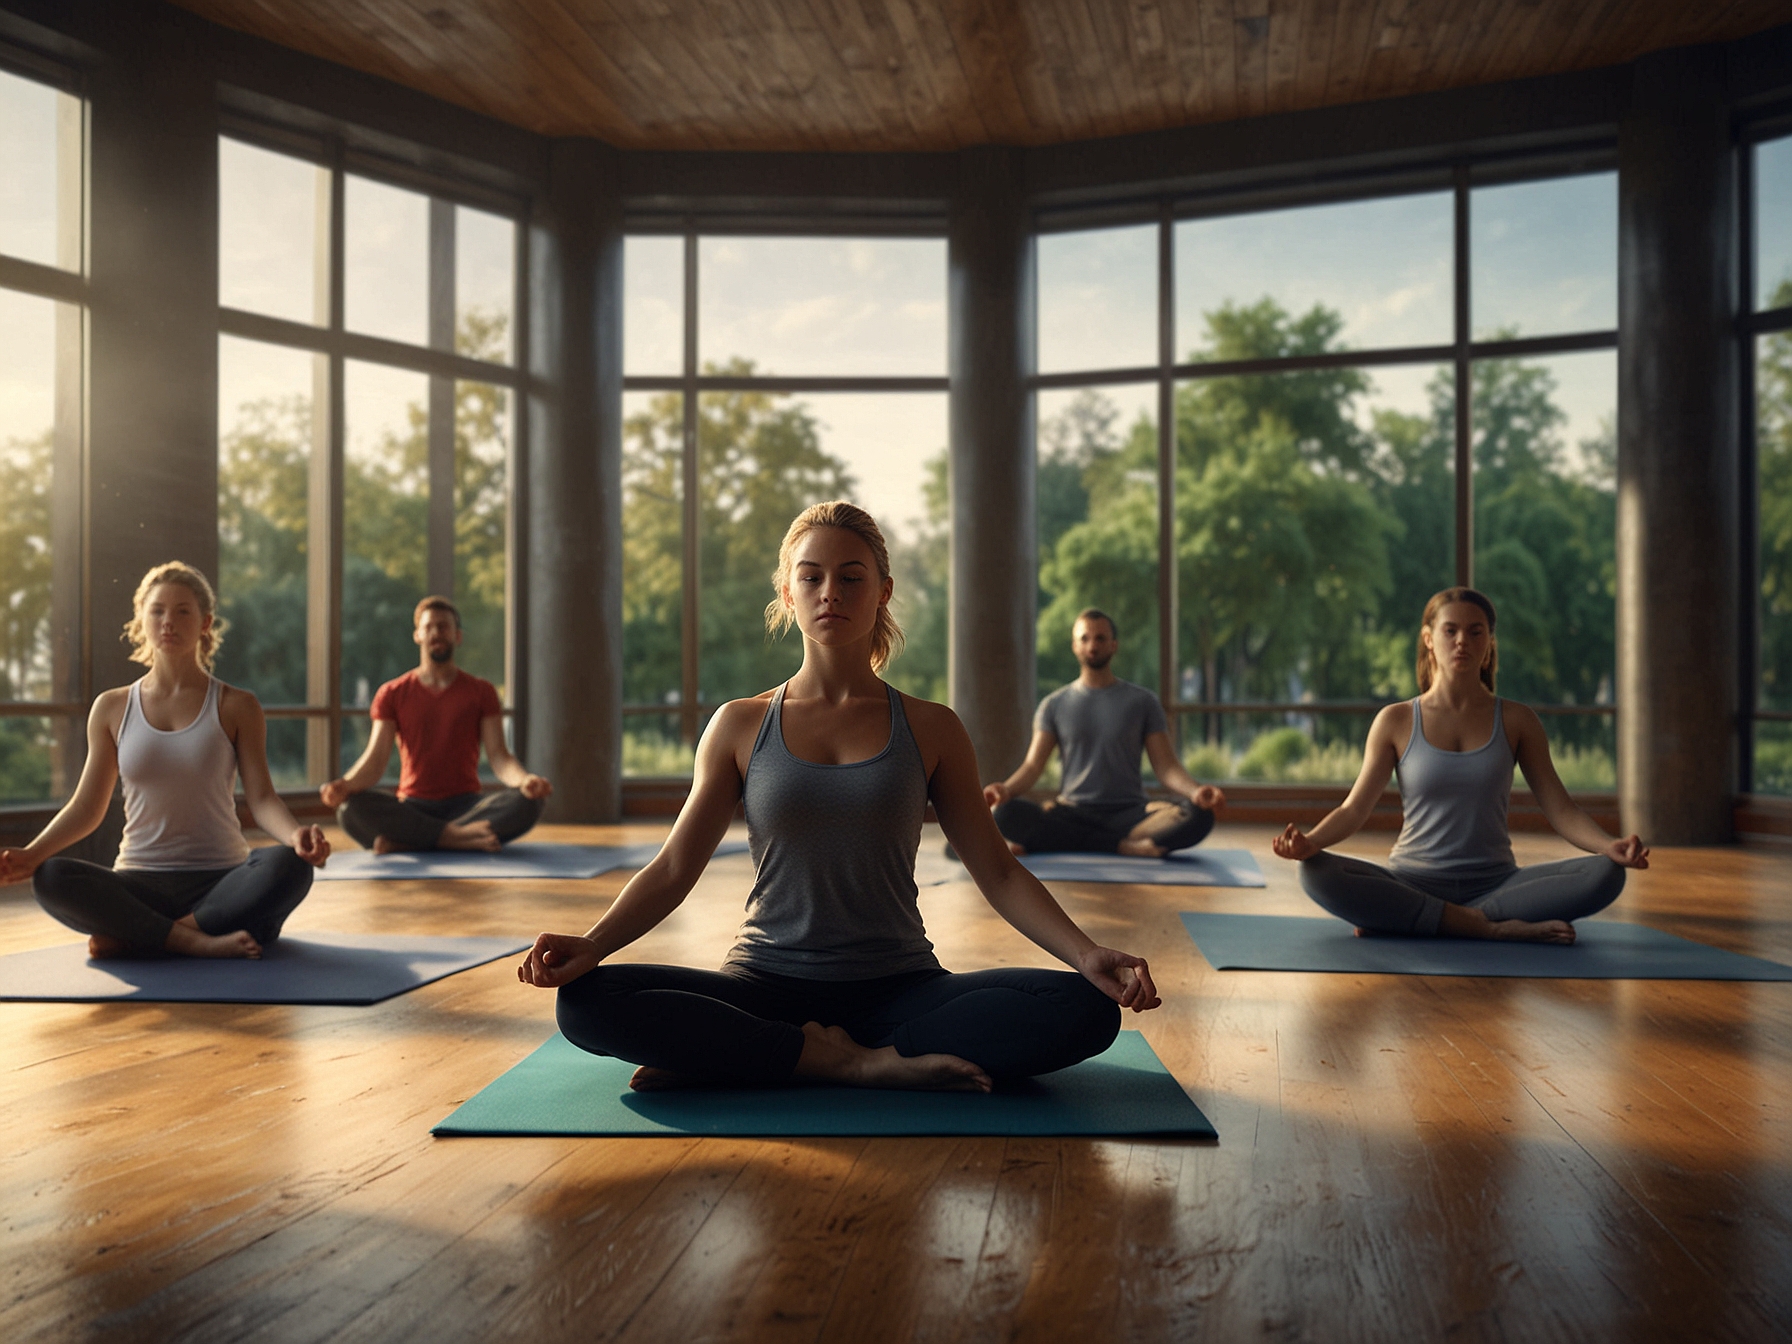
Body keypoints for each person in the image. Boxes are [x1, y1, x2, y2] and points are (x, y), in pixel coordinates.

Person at [516, 501, 1161, 1093]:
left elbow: (995, 869)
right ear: (787, 591)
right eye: (812, 576)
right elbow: (675, 867)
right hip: (763, 983)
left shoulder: (932, 726)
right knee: (584, 1001)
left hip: (899, 987)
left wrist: (1086, 953)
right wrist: (594, 944)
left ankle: (754, 1057)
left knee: (1085, 1010)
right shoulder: (739, 724)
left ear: (883, 592)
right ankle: (844, 1062)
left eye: (852, 577)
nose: (831, 593)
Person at [1272, 587, 1649, 943]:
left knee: (1606, 874)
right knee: (1315, 872)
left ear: (1489, 642)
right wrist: (1311, 843)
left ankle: (1417, 919)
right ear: (1428, 638)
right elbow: (1354, 809)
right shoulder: (1396, 720)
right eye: (1450, 630)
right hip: (1411, 880)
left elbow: (1560, 808)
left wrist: (1609, 844)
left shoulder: (1518, 721)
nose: (1462, 642)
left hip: (1497, 885)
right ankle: (1488, 929)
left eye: (1475, 631)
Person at [0, 562, 328, 959]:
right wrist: (32, 855)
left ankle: (144, 934)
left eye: (182, 611)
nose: (168, 621)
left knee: (288, 867)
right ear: (142, 619)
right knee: (51, 877)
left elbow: (261, 799)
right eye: (157, 610)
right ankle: (195, 939)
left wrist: (296, 837)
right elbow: (87, 807)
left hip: (220, 881)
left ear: (205, 623)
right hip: (139, 882)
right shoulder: (112, 707)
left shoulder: (237, 705)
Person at [982, 609, 1225, 858]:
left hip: (1130, 814)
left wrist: (1195, 791)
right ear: (1074, 646)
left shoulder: (1143, 702)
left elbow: (1166, 766)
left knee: (1198, 816)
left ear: (1114, 645)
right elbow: (1033, 766)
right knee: (1004, 813)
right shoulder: (1053, 705)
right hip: (1071, 811)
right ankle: (1121, 846)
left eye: (1100, 638)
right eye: (1084, 639)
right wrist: (1006, 789)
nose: (1092, 645)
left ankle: (1063, 841)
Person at [321, 596, 551, 853]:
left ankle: (410, 841)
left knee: (531, 802)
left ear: (457, 636)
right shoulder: (392, 693)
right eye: (429, 627)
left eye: (443, 627)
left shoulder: (481, 692)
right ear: (417, 635)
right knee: (350, 809)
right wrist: (345, 785)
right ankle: (458, 838)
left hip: (466, 806)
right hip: (413, 806)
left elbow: (499, 756)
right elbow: (375, 761)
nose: (436, 633)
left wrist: (525, 780)